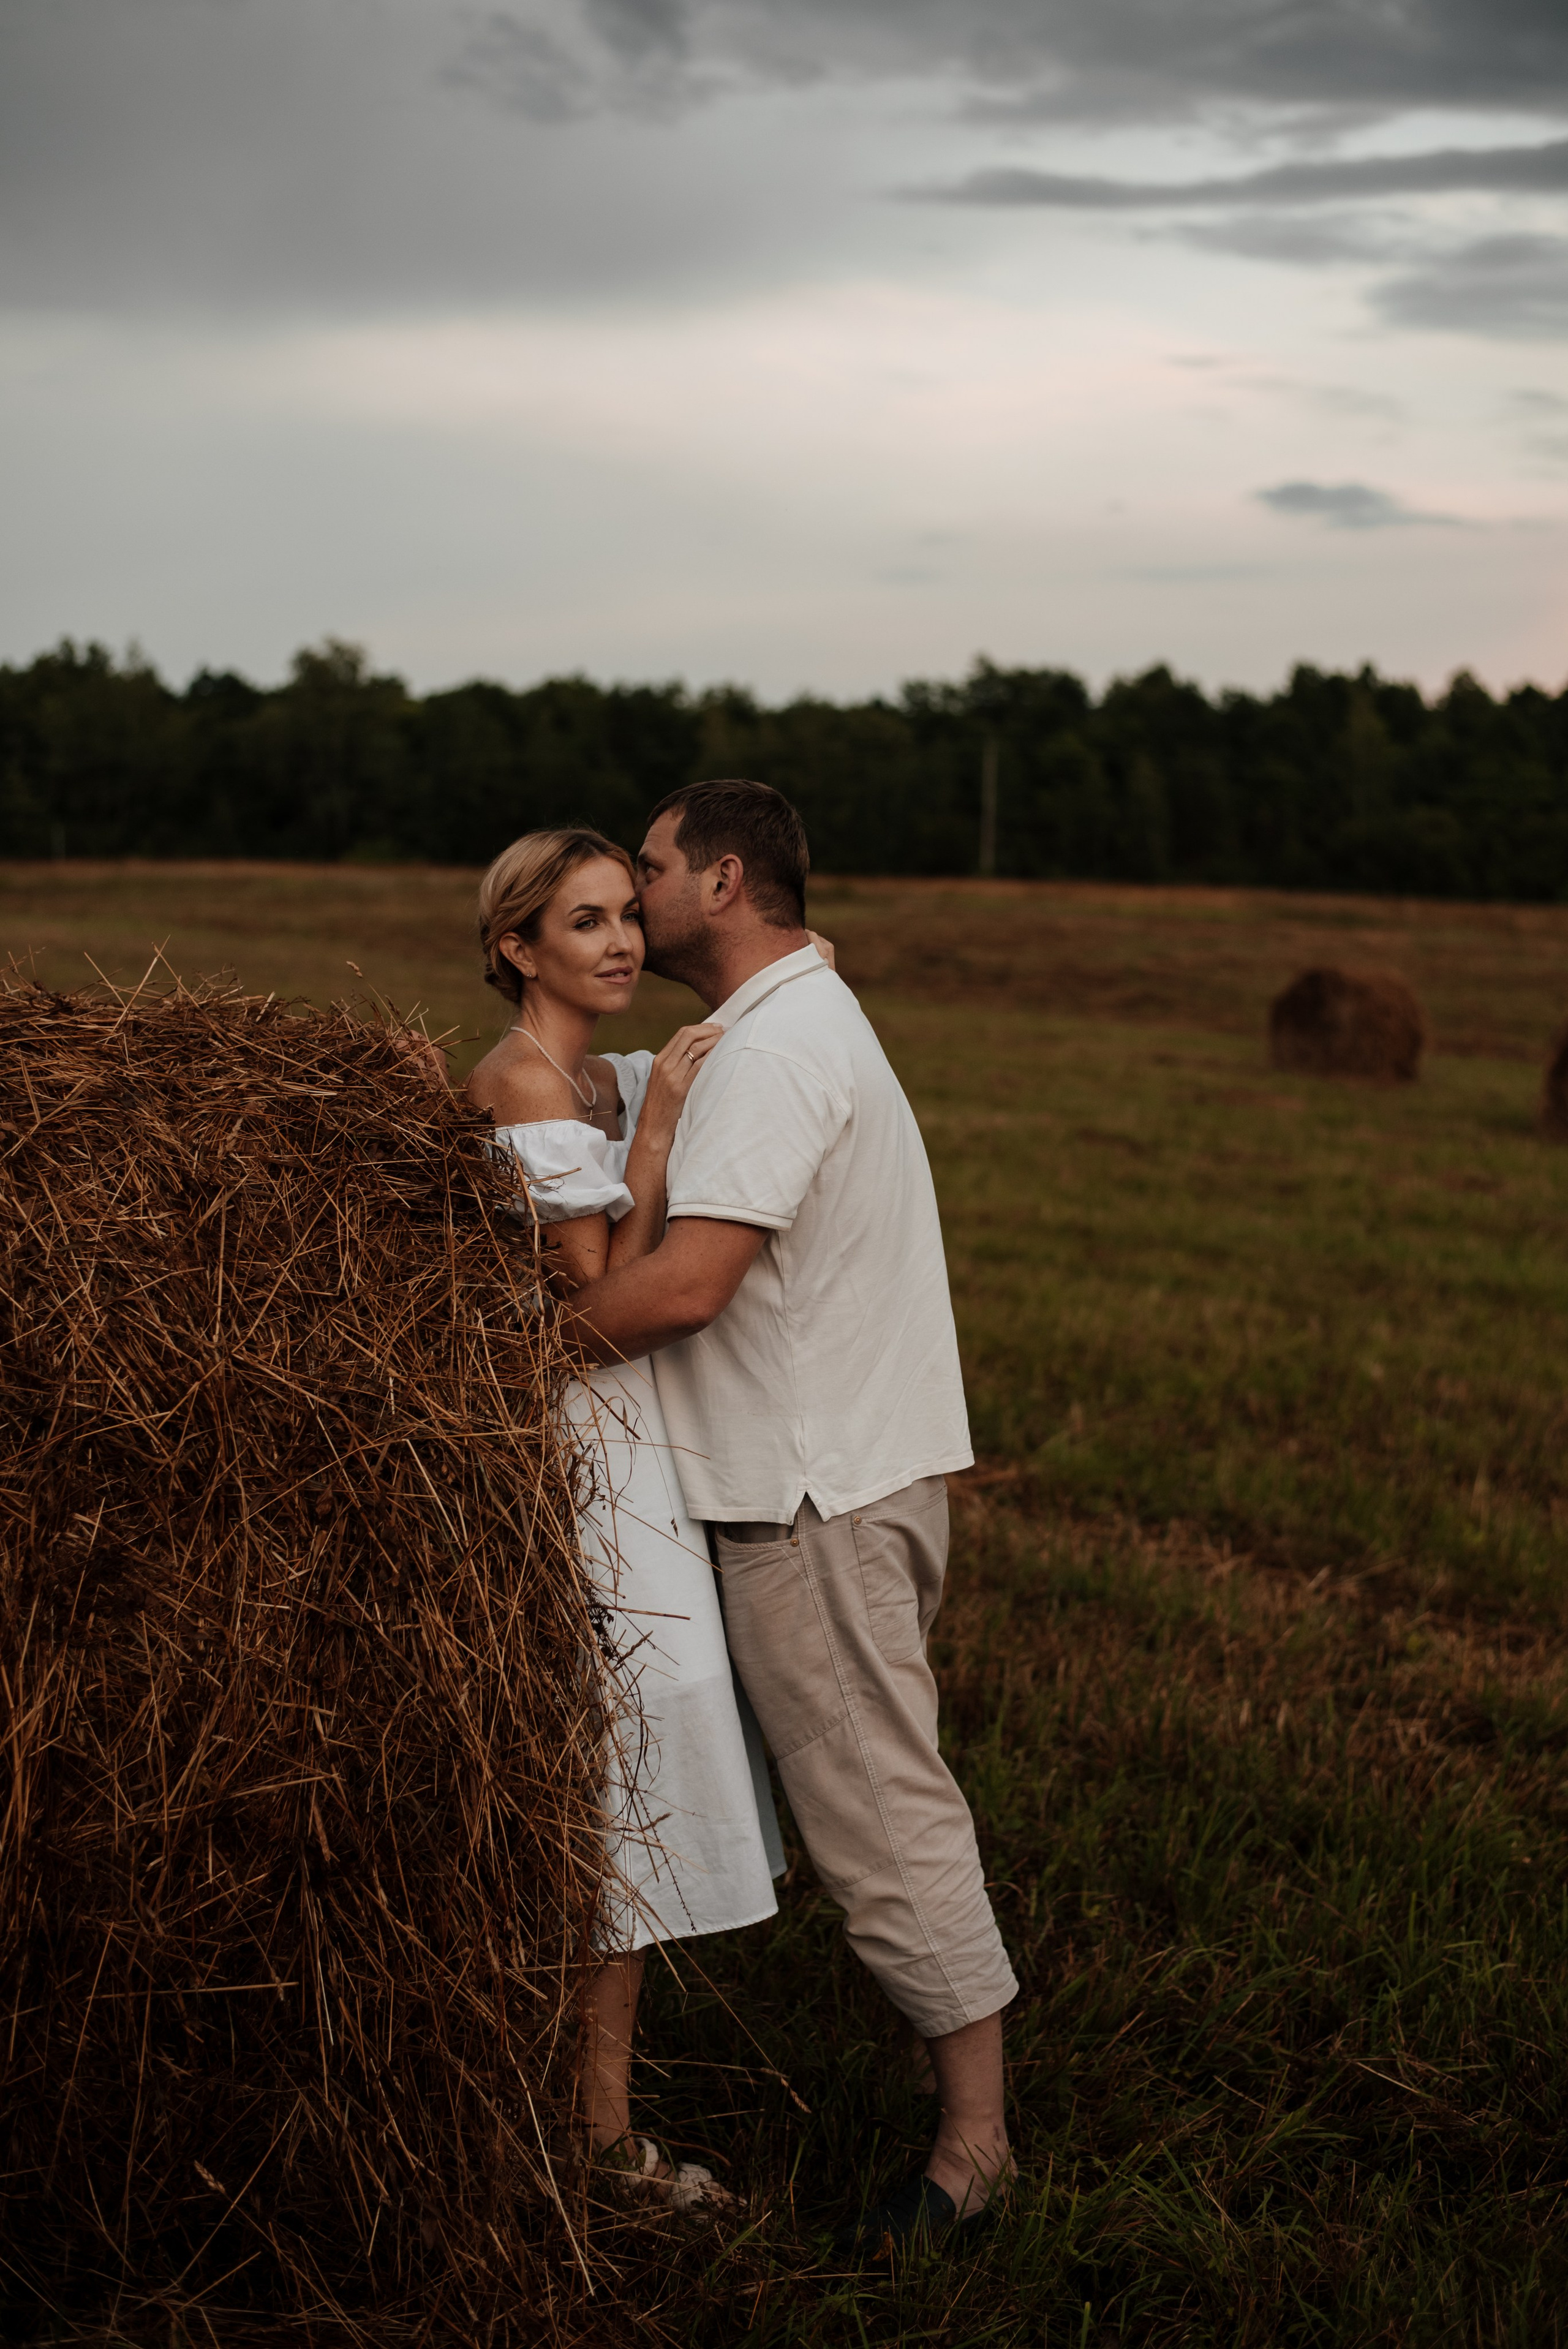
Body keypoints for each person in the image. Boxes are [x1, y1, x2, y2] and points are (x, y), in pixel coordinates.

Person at [559, 779, 1019, 2254]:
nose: (636, 894)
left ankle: (973, 2152)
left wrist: (494, 1355)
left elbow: (687, 1286)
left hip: (812, 1503)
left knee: (879, 1814)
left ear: (722, 880)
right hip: (838, 1481)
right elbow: (632, 1080)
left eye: (651, 869)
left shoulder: (774, 1052)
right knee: (873, 1797)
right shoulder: (781, 1019)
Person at [465, 825, 786, 2211]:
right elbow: (598, 1297)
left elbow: (738, 1035)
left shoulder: (588, 1071)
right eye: (583, 921)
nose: (619, 942)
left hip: (631, 1444)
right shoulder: (526, 1085)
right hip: (585, 1447)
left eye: (625, 916)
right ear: (516, 947)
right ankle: (596, 2138)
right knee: (626, 1765)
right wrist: (653, 1140)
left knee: (629, 1767)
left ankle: (592, 2118)